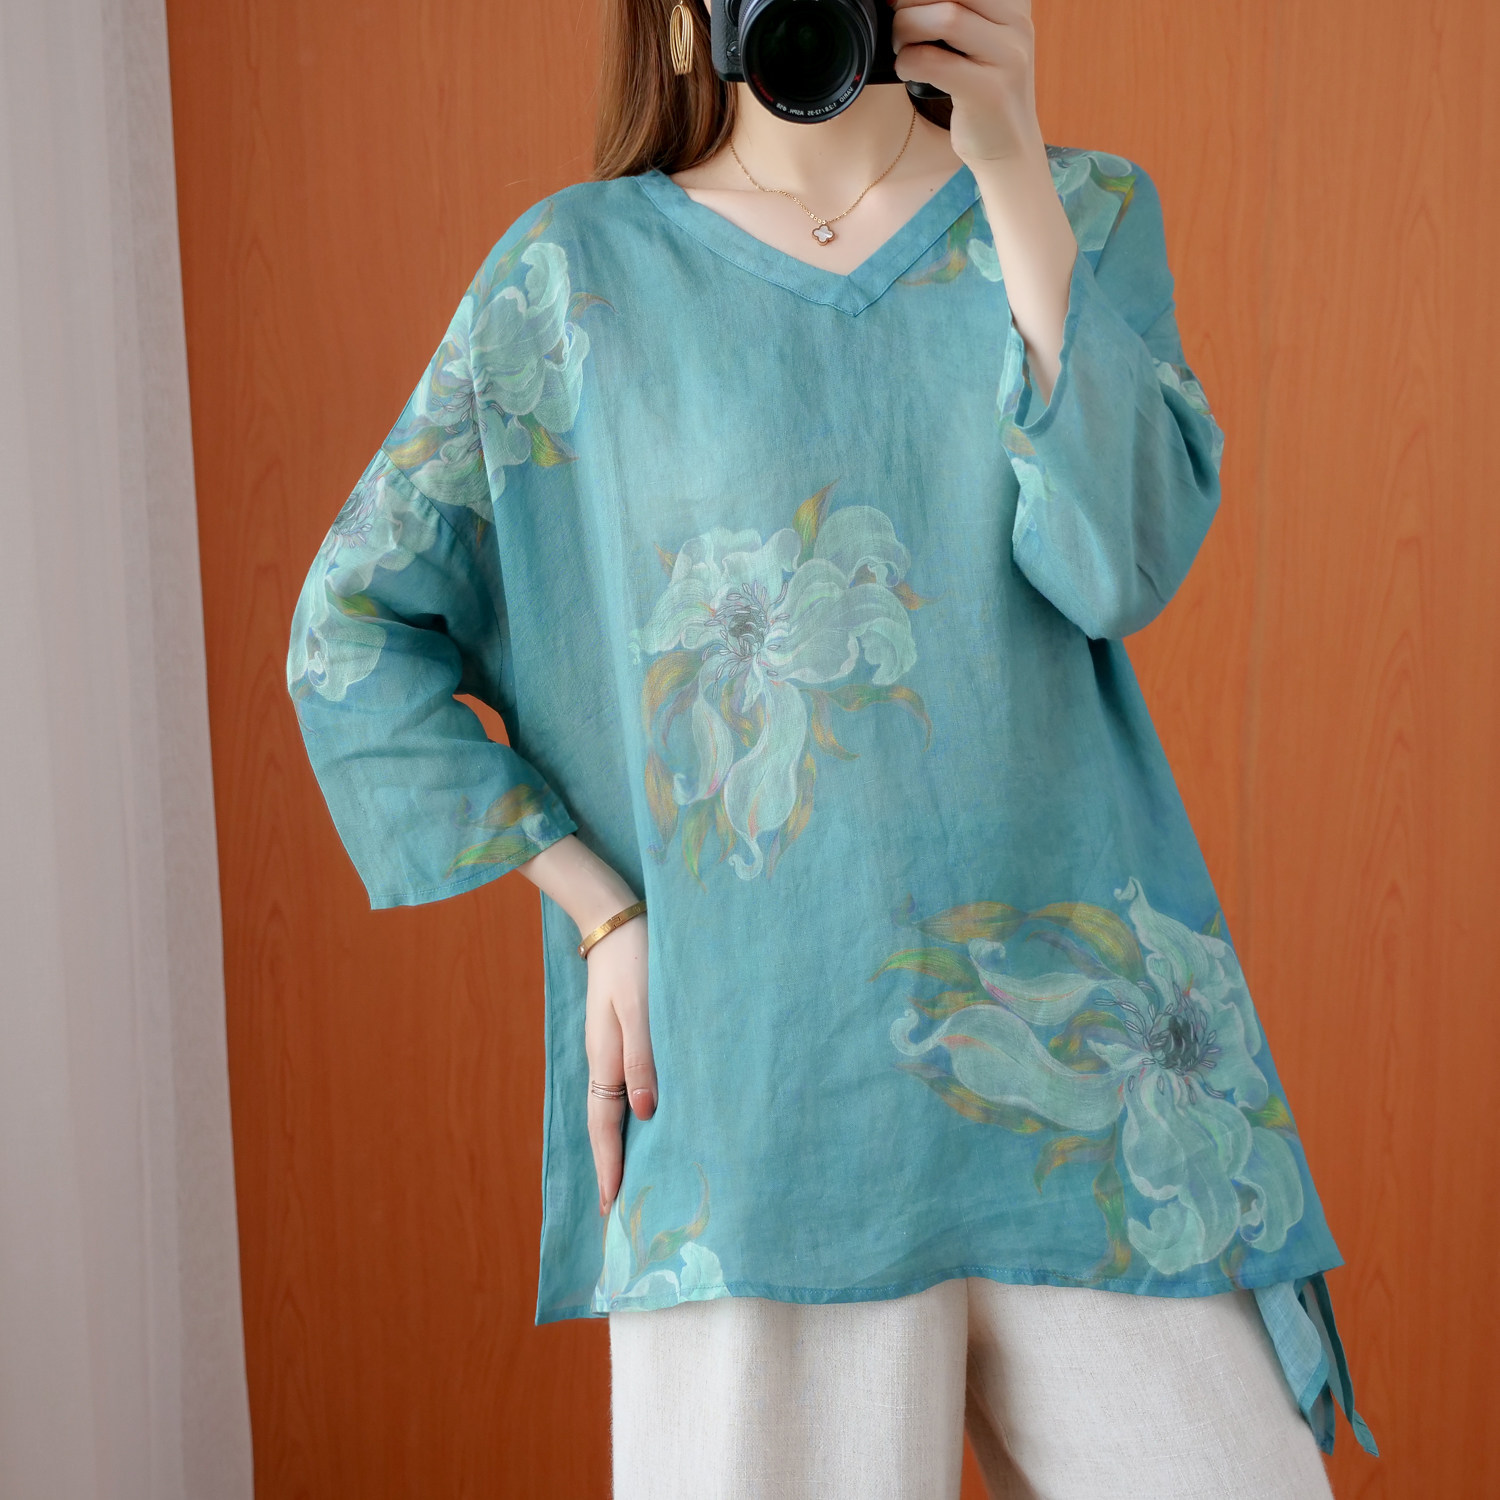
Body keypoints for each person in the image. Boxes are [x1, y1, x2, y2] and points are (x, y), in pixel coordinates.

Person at [286, 0, 1379, 1492]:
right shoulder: (573, 279)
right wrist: (600, 908)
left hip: (1094, 1087)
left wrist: (1010, 160)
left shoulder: (1083, 212)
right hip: (756, 1100)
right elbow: (349, 636)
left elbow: (1118, 565)